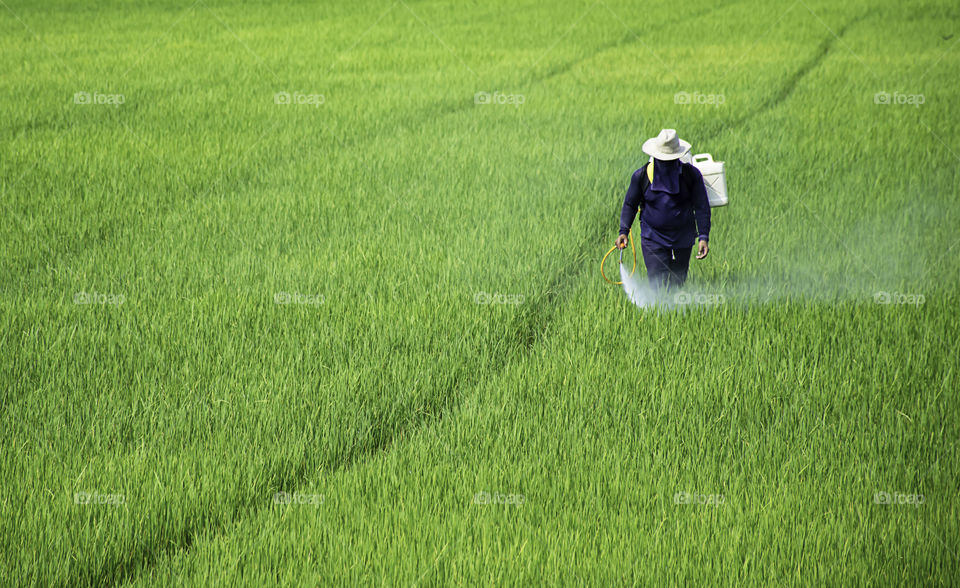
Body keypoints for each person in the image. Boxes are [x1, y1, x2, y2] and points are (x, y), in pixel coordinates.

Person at [616, 129, 711, 289]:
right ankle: (658, 311)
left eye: (670, 160)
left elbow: (702, 207)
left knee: (677, 283)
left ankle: (674, 313)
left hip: (683, 237)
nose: (666, 163)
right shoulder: (642, 176)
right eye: (662, 159)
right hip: (653, 237)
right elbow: (630, 204)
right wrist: (623, 231)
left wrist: (703, 236)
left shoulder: (691, 175)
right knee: (657, 283)